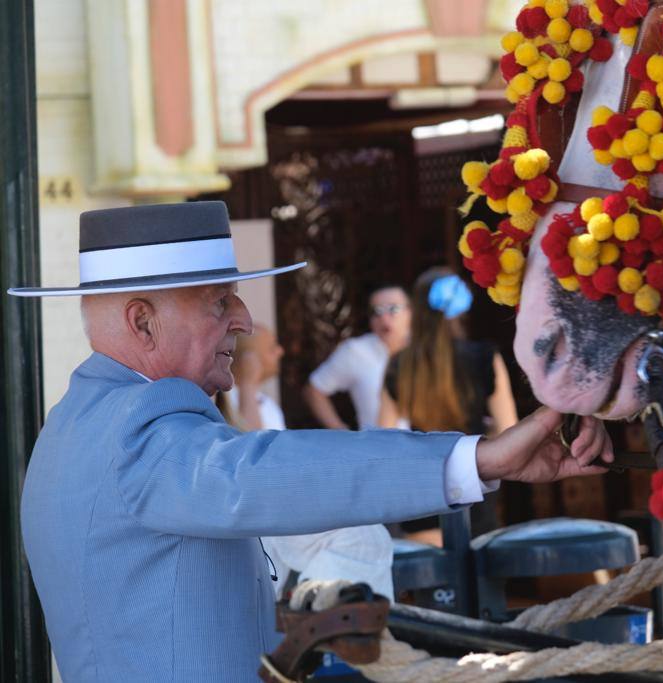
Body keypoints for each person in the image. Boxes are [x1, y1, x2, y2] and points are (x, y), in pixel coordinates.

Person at [8, 201, 613, 683]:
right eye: (220, 301)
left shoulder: (77, 424)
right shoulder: (140, 425)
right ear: (142, 321)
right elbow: (260, 474)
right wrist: (476, 458)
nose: (243, 321)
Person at [218, 324, 396, 601]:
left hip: (274, 518)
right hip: (256, 519)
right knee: (361, 539)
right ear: (249, 359)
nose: (280, 352)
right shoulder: (232, 400)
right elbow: (252, 456)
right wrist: (248, 383)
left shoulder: (264, 402)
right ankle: (318, 613)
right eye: (271, 347)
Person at [380, 267, 518, 537]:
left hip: (423, 492)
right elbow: (509, 430)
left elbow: (384, 438)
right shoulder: (485, 357)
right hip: (474, 486)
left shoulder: (400, 365)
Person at [303, 284, 410, 429]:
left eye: (393, 309)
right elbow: (314, 390)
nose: (384, 318)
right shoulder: (356, 351)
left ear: (411, 312)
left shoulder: (428, 349)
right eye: (376, 312)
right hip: (376, 448)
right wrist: (339, 430)